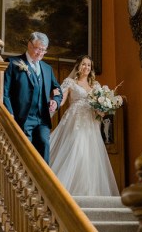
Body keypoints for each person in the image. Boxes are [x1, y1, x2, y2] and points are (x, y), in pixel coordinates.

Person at [48, 55, 119, 196]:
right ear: (78, 66)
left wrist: (103, 109)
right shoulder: (70, 82)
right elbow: (61, 100)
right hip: (75, 120)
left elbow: (99, 106)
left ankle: (87, 191)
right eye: (84, 64)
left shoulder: (96, 86)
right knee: (76, 148)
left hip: (91, 123)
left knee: (90, 153)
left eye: (89, 65)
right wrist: (54, 103)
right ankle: (65, 189)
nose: (86, 67)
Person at [3, 31, 62, 163]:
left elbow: (57, 89)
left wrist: (56, 101)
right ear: (29, 45)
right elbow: (4, 91)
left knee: (44, 145)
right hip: (22, 118)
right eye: (38, 49)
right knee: (24, 153)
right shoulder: (13, 63)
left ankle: (43, 182)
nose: (40, 53)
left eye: (43, 50)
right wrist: (10, 114)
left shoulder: (47, 68)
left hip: (42, 119)